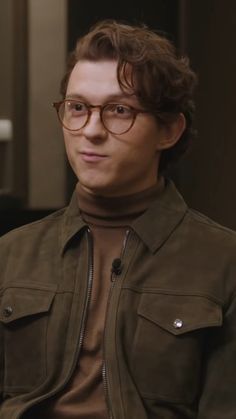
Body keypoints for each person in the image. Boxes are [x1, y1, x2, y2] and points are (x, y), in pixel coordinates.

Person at [0, 19, 236, 419]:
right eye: (77, 107)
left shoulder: (223, 263)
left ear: (169, 130)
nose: (90, 130)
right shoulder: (10, 255)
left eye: (119, 110)